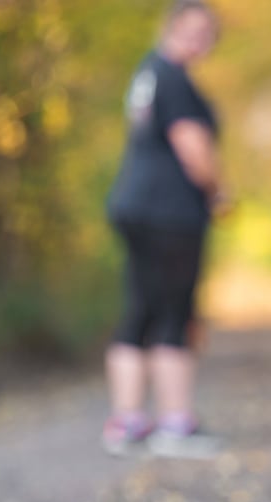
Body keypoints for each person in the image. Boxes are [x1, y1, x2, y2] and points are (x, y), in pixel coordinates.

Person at [103, 0, 229, 458]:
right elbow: (191, 146)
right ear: (171, 27)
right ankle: (174, 424)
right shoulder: (174, 78)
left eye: (208, 33)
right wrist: (219, 192)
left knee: (140, 311)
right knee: (175, 314)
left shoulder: (148, 73)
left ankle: (128, 421)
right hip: (170, 213)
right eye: (193, 29)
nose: (200, 40)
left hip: (133, 205)